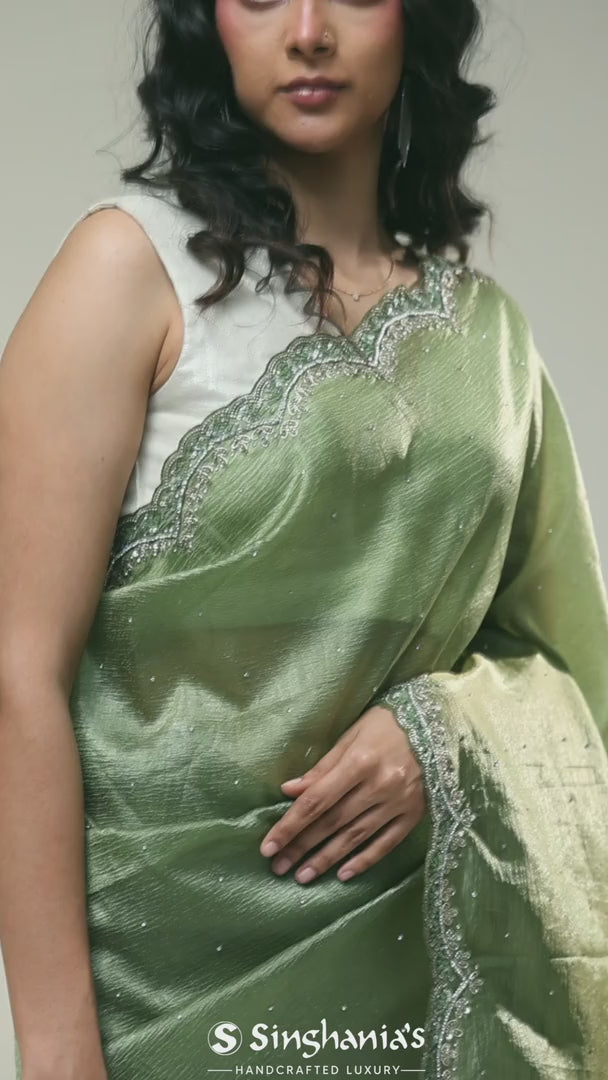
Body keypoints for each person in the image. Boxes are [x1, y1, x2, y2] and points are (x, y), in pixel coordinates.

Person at [1, 0, 607, 1077]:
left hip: (424, 988)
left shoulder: (490, 341)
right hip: (167, 990)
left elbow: (566, 664)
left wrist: (445, 731)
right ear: (209, 23)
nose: (310, 31)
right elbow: (16, 674)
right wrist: (55, 1052)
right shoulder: (129, 269)